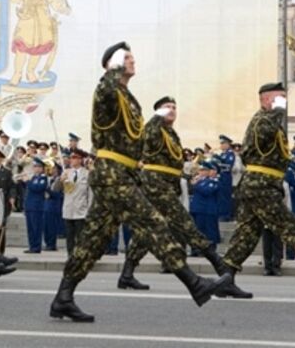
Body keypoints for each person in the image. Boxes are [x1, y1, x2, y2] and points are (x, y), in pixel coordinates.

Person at [49, 41, 231, 323]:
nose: (133, 61)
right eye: (127, 57)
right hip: (112, 175)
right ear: (113, 64)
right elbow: (108, 88)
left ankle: (63, 298)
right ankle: (195, 284)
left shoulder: (126, 97)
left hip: (123, 174)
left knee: (92, 242)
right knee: (153, 222)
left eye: (132, 57)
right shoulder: (107, 91)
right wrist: (114, 67)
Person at [117, 96, 232, 291]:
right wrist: (157, 116)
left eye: (173, 107)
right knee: (186, 225)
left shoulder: (170, 133)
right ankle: (223, 270)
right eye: (166, 107)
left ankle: (126, 275)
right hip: (155, 186)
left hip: (166, 185)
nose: (171, 110)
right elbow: (149, 135)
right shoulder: (154, 129)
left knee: (146, 233)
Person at [219, 82, 295, 298]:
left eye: (284, 98)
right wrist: (279, 111)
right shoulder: (262, 119)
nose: (283, 103)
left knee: (247, 234)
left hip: (262, 184)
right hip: (261, 185)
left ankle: (226, 278)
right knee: (289, 227)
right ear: (265, 99)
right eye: (278, 98)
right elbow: (266, 132)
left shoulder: (272, 121)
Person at [52, 149, 92, 257]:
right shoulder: (66, 172)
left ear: (80, 160)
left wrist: (89, 210)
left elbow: (90, 194)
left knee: (80, 236)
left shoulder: (87, 174)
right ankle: (70, 256)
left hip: (81, 210)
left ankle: (80, 256)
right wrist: (60, 180)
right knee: (69, 236)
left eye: (74, 158)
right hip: (68, 209)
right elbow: (55, 189)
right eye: (71, 158)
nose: (71, 160)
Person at [189, 161, 221, 251]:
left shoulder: (213, 181)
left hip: (207, 210)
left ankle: (211, 249)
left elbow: (207, 191)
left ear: (208, 172)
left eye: (203, 170)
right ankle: (196, 249)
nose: (201, 172)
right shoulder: (199, 180)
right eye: (200, 170)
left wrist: (196, 184)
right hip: (197, 209)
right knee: (197, 230)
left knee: (210, 231)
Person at [24, 157, 49, 253]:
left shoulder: (43, 178)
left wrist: (27, 181)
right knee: (30, 228)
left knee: (36, 228)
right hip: (29, 206)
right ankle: (32, 246)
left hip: (37, 206)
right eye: (35, 167)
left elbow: (37, 188)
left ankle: (36, 246)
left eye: (38, 167)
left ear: (42, 168)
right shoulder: (34, 177)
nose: (36, 169)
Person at [43, 162, 64, 251]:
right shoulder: (48, 179)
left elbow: (58, 194)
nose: (53, 170)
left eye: (54, 168)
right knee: (46, 226)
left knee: (52, 227)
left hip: (54, 205)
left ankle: (52, 244)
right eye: (52, 168)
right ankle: (47, 243)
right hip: (46, 205)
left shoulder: (59, 180)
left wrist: (48, 190)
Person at [215, 135, 235, 221]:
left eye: (223, 143)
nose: (221, 145)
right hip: (221, 177)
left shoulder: (230, 154)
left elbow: (228, 166)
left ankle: (226, 215)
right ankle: (221, 213)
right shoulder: (223, 154)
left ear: (228, 144)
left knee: (226, 196)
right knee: (221, 196)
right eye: (221, 143)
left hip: (226, 177)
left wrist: (218, 164)